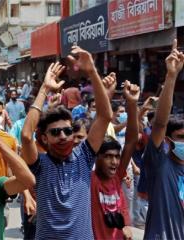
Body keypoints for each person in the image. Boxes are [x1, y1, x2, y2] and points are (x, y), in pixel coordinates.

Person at [21, 47, 113, 239]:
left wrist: (92, 72)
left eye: (67, 131)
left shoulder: (85, 156)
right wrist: (44, 89)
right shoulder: (40, 165)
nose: (63, 136)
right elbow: (27, 136)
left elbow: (105, 116)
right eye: (55, 132)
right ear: (45, 138)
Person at [143, 39, 184, 239]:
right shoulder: (160, 163)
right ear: (167, 140)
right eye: (181, 137)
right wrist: (171, 76)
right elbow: (160, 123)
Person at [91, 80, 139, 240]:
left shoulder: (117, 176)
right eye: (108, 157)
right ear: (96, 157)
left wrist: (132, 104)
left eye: (117, 157)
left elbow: (131, 141)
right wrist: (105, 93)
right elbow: (99, 121)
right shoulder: (89, 180)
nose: (114, 162)